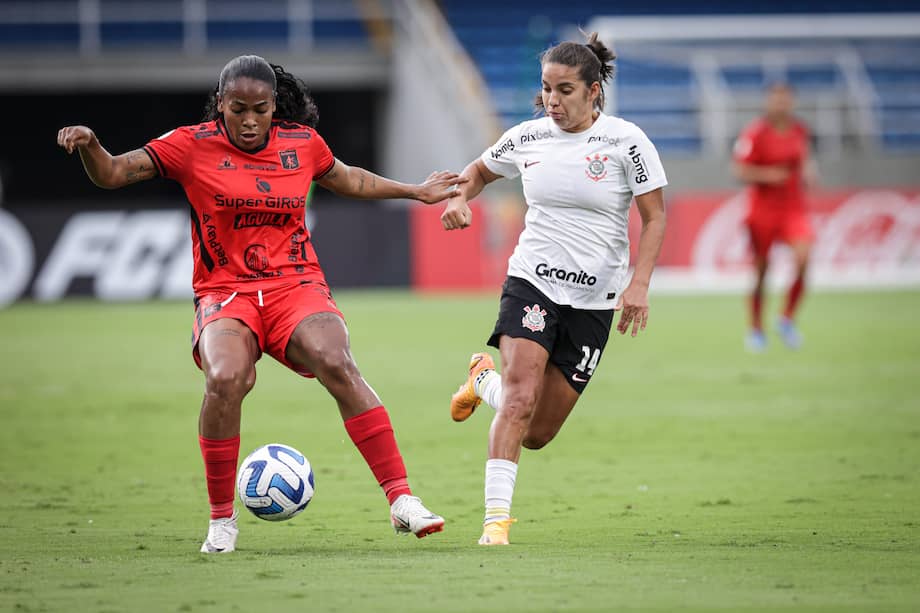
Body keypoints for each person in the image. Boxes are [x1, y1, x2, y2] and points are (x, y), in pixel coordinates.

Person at [57, 54, 463, 553]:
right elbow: (115, 174)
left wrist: (416, 192)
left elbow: (349, 178)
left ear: (275, 107)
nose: (249, 120)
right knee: (226, 378)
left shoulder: (302, 143)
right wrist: (92, 146)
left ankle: (402, 500)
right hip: (226, 292)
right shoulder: (190, 145)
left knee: (337, 360)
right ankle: (221, 521)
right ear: (220, 106)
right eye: (237, 109)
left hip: (295, 284)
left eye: (260, 109)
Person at [438, 32, 667, 545]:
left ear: (594, 92)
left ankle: (481, 383)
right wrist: (460, 200)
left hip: (595, 301)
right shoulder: (528, 137)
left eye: (565, 90)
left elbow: (654, 218)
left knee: (537, 432)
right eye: (546, 89)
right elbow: (476, 172)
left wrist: (640, 284)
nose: (552, 101)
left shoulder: (627, 142)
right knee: (519, 400)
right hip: (532, 284)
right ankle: (495, 524)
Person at [733, 82, 815, 352]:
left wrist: (810, 172)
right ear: (769, 102)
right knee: (761, 271)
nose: (781, 104)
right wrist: (770, 175)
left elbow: (803, 159)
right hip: (763, 211)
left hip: (793, 208)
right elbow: (740, 171)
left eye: (785, 99)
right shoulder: (755, 133)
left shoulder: (799, 130)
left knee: (803, 259)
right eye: (776, 99)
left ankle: (786, 318)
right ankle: (756, 328)